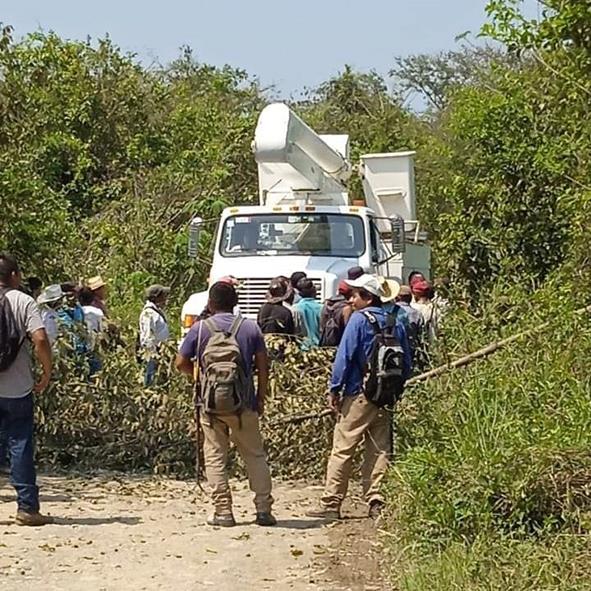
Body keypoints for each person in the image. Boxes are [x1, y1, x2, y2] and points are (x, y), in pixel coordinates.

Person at [307, 273, 411, 520]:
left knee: (343, 448)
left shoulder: (358, 320)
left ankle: (332, 503)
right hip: (386, 396)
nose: (351, 300)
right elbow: (406, 362)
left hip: (358, 394)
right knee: (380, 449)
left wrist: (335, 388)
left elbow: (344, 357)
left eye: (355, 295)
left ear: (367, 297)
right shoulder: (395, 321)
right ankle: (376, 500)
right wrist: (395, 389)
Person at [176, 281, 276, 527]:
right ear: (235, 304)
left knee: (215, 456)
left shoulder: (199, 330)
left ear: (210, 303)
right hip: (244, 404)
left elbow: (180, 362)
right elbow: (263, 368)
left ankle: (223, 512)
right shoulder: (250, 329)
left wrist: (200, 380)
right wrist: (260, 399)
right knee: (254, 455)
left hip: (210, 405)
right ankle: (263, 510)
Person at [0, 253, 53, 526]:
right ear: (13, 276)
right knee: (19, 444)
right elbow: (40, 339)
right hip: (17, 387)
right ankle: (27, 508)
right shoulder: (24, 301)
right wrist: (46, 371)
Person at [139, 285, 170, 387]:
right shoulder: (148, 313)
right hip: (153, 352)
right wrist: (152, 353)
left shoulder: (156, 311)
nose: (165, 299)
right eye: (163, 296)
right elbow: (147, 335)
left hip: (160, 351)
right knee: (151, 379)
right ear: (156, 297)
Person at [395, 285, 425, 365]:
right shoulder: (417, 313)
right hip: (411, 348)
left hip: (395, 348)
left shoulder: (392, 311)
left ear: (398, 297)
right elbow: (421, 334)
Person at [319, 280, 353, 347]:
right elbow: (348, 331)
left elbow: (322, 325)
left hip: (325, 345)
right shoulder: (347, 308)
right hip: (339, 345)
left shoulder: (326, 305)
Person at [79, 287, 104, 375]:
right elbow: (101, 329)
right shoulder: (98, 312)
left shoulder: (77, 311)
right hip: (94, 344)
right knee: (96, 372)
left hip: (80, 345)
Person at [293, 278, 322, 350]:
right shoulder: (322, 308)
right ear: (313, 291)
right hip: (319, 350)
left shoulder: (294, 308)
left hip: (301, 350)